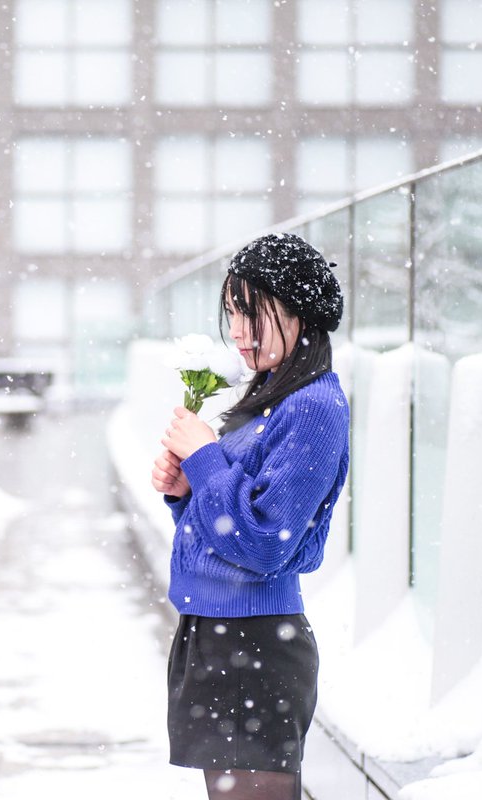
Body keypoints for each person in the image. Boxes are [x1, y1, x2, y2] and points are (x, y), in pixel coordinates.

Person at [152, 232, 351, 800]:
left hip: (256, 646)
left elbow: (267, 543)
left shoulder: (313, 407)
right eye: (233, 313)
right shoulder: (271, 398)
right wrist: (186, 489)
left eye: (253, 313)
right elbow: (226, 534)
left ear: (300, 313)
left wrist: (205, 458)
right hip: (220, 638)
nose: (238, 332)